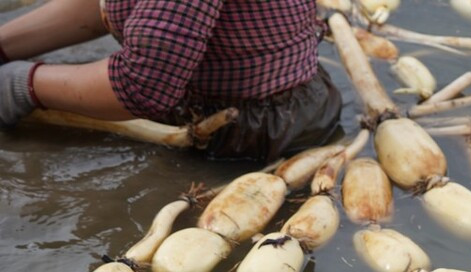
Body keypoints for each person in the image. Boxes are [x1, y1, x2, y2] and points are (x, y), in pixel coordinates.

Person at [0, 0, 343, 161]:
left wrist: (20, 86)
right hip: (246, 104)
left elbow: (143, 85)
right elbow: (107, 5)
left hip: (253, 129)